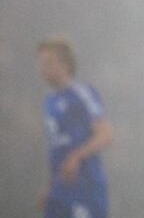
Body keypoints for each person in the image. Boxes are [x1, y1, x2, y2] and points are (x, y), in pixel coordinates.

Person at [36, 35, 112, 218]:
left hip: (85, 187)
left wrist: (77, 157)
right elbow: (57, 148)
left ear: (65, 65)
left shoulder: (82, 93)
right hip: (60, 191)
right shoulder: (49, 102)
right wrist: (49, 185)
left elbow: (105, 135)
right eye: (41, 63)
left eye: (48, 62)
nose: (42, 68)